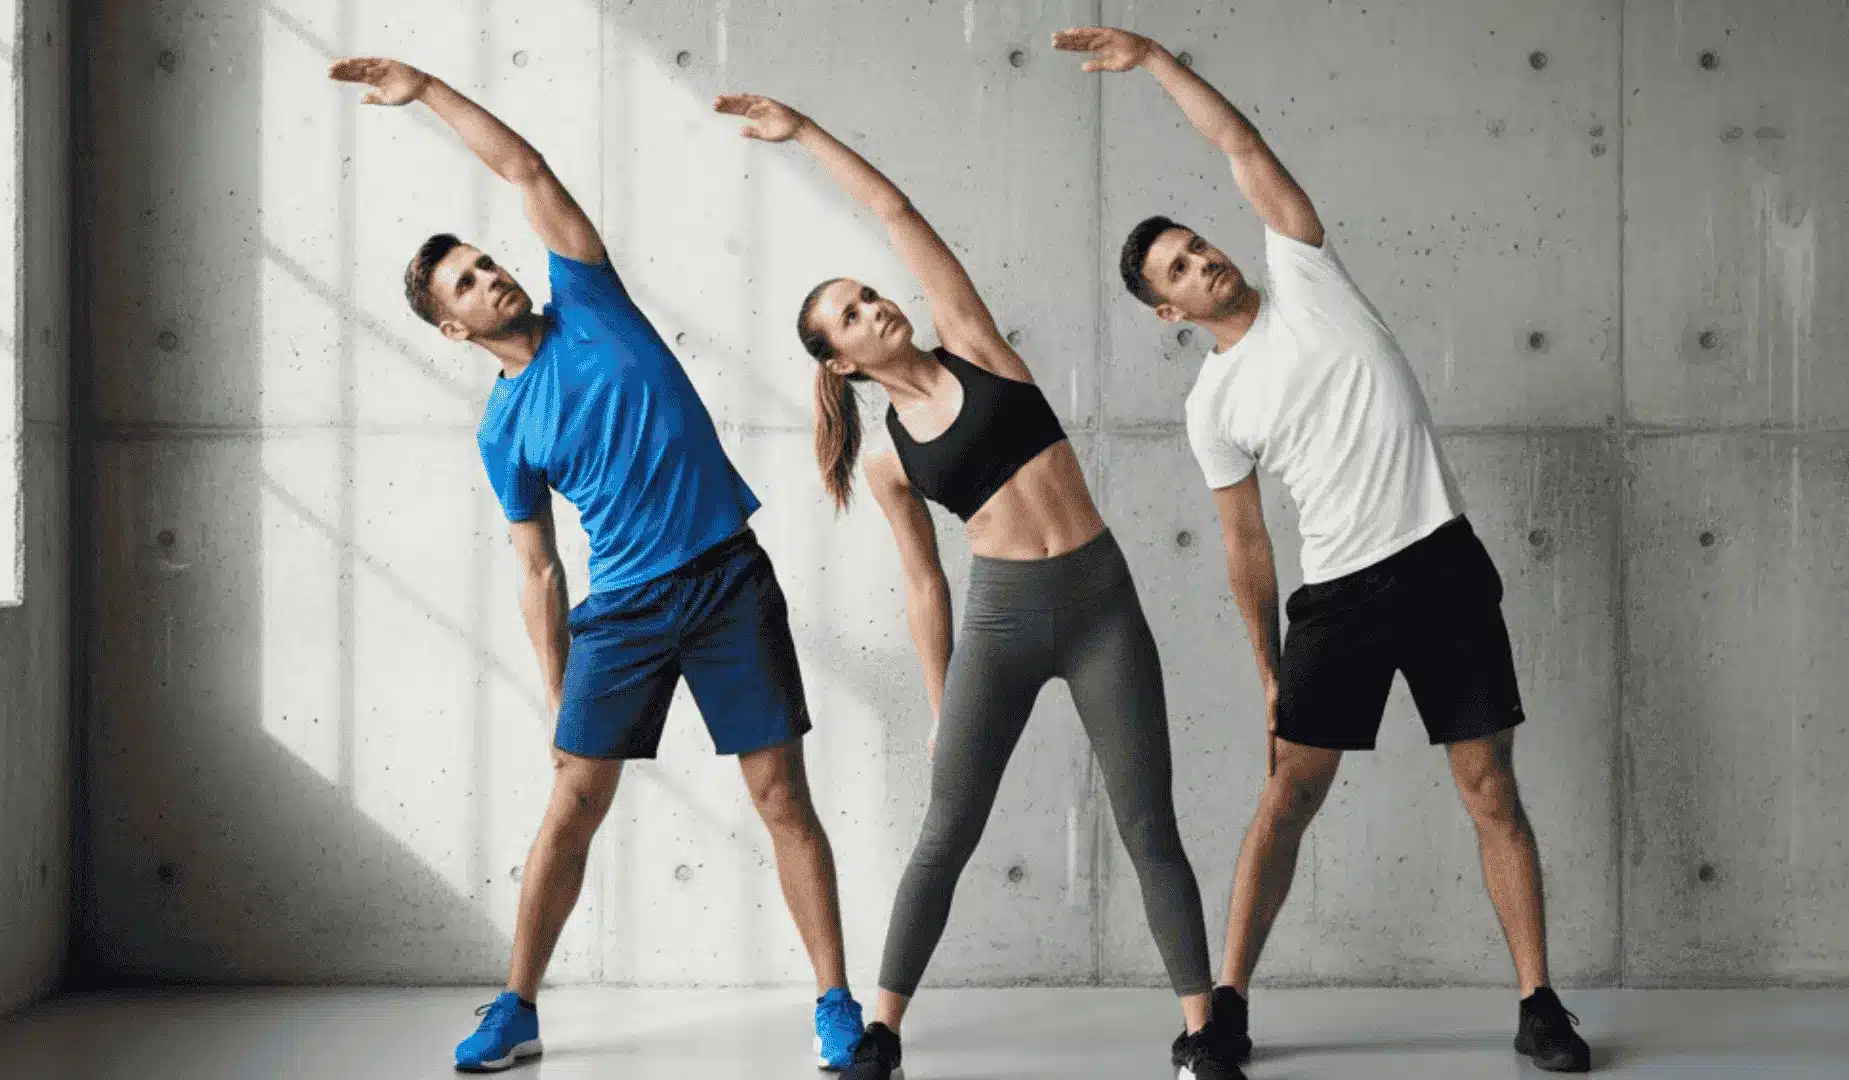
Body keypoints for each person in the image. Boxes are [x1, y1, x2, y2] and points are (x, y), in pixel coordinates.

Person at [1056, 24, 1594, 1075]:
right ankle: (1225, 1010)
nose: (1205, 258)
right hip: (1338, 602)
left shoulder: (1305, 272)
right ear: (1170, 309)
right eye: (1181, 268)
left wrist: (1160, 63)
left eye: (1199, 243)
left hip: (1440, 565)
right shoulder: (1214, 402)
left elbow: (1245, 150)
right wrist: (1266, 669)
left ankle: (1539, 1004)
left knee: (1491, 792)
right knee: (1286, 801)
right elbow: (1246, 546)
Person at [326, 57, 867, 1073]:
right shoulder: (502, 430)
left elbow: (527, 170)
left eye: (488, 263)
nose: (493, 276)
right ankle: (517, 1008)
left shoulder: (588, 296)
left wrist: (430, 92)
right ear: (454, 328)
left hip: (724, 577)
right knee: (573, 801)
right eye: (469, 284)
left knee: (780, 794)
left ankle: (834, 1002)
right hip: (621, 613)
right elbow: (538, 571)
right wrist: (556, 688)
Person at [714, 92, 1246, 1080]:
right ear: (843, 362)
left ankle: (1202, 1031)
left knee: (1147, 824)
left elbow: (898, 214)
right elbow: (924, 586)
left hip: (1099, 605)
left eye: (868, 295)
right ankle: (882, 1032)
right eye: (851, 316)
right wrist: (940, 700)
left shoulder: (975, 342)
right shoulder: (886, 461)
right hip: (1002, 622)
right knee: (945, 832)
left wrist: (808, 133)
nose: (875, 307)